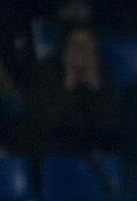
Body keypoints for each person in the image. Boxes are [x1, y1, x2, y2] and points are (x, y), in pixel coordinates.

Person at [19, 25, 121, 157]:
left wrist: (95, 88)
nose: (80, 50)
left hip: (88, 150)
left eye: (85, 44)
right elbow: (43, 123)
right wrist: (68, 84)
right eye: (74, 44)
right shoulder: (45, 71)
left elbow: (111, 127)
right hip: (49, 149)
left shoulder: (101, 74)